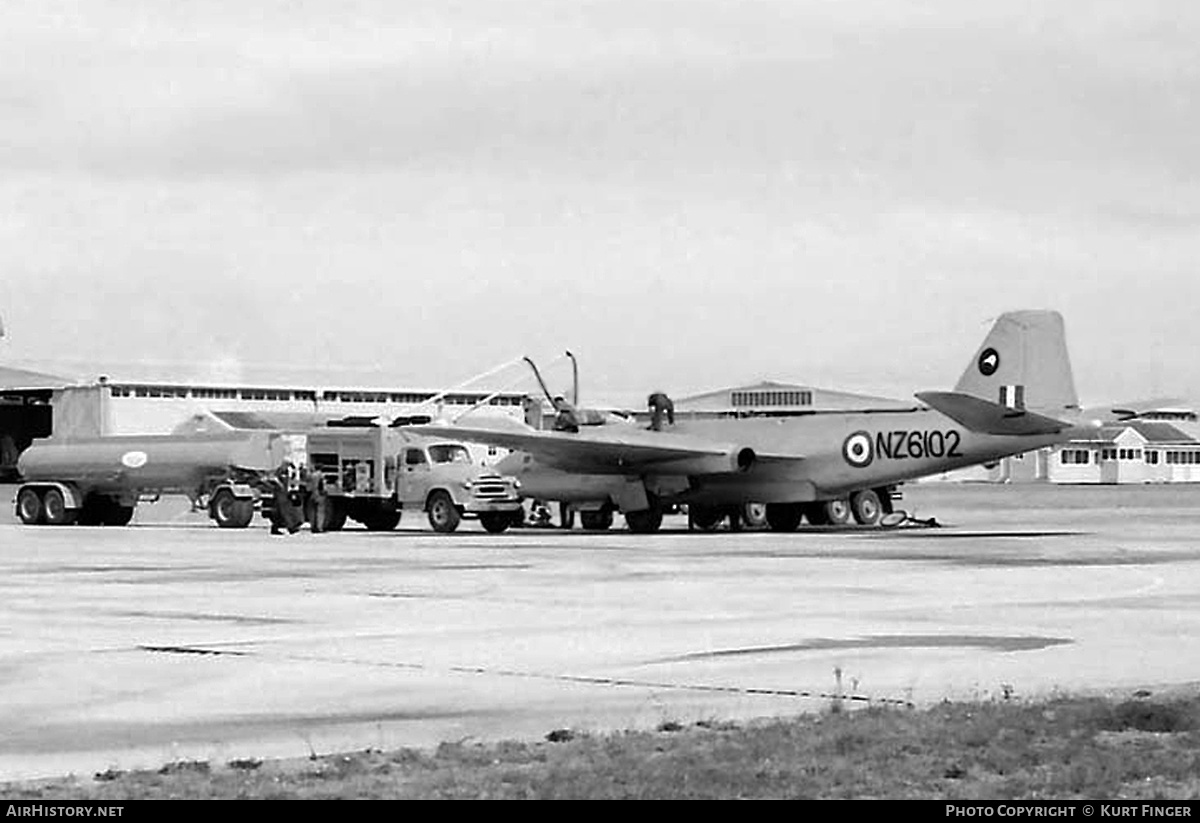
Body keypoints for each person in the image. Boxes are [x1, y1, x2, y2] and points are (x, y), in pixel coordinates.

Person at [302, 465, 328, 533]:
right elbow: (323, 485)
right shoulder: (321, 475)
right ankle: (319, 527)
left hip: (312, 494)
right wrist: (325, 492)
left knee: (312, 512)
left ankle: (313, 526)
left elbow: (306, 481)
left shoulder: (312, 475)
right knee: (320, 512)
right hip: (319, 494)